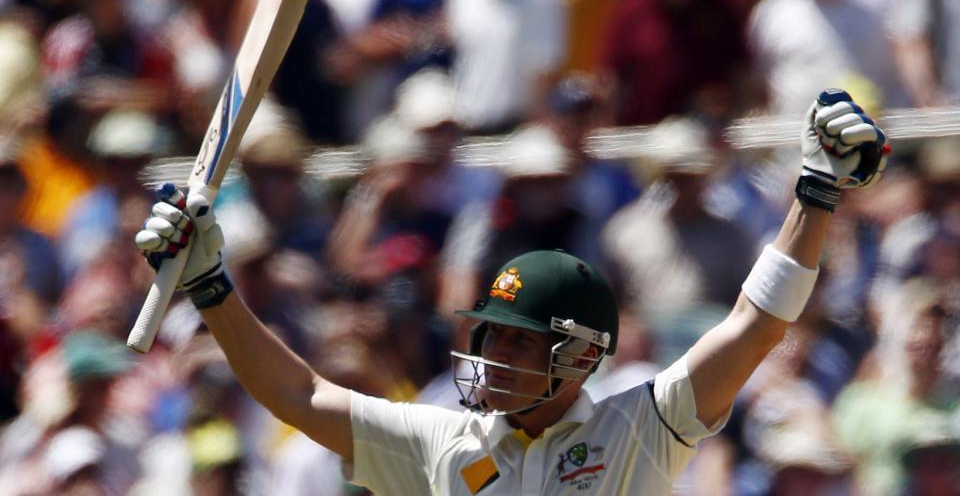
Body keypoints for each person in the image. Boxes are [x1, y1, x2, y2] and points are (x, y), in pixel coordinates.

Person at [134, 89, 889, 494]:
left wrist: (815, 193)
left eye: (519, 338)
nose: (491, 354)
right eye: (490, 333)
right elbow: (297, 395)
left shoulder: (641, 426)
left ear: (581, 353)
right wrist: (210, 286)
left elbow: (755, 325)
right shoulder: (441, 440)